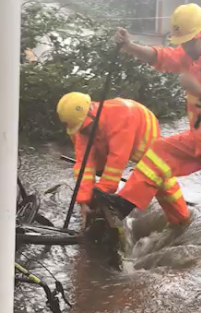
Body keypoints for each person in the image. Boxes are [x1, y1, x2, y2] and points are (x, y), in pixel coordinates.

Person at [93, 3, 201, 247]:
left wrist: (198, 90)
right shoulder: (189, 55)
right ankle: (123, 205)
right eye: (181, 43)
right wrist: (129, 46)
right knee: (159, 152)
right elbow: (160, 57)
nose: (184, 48)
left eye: (187, 42)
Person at [56, 92, 190, 227]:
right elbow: (84, 166)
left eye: (85, 127)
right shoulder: (81, 131)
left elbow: (116, 161)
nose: (84, 132)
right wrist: (84, 201)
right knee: (95, 172)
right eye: (81, 129)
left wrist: (101, 192)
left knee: (157, 175)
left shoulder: (120, 117)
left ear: (92, 113)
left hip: (143, 134)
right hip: (108, 137)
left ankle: (181, 218)